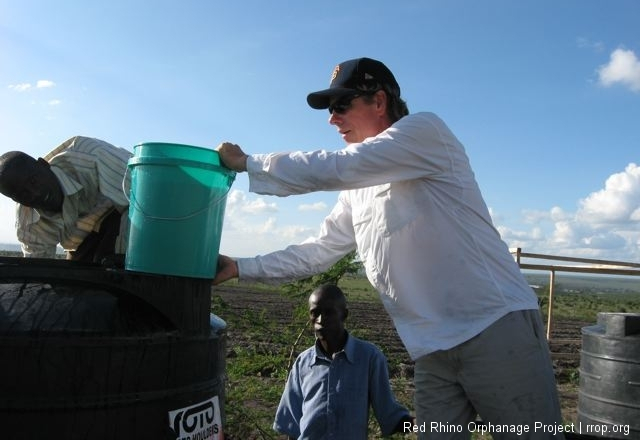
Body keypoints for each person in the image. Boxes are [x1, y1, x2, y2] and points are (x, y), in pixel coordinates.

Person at [214, 57, 565, 438]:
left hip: (495, 329)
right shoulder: (357, 187)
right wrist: (239, 267)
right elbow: (320, 250)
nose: (332, 118)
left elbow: (338, 166)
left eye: (341, 105)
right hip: (431, 349)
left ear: (378, 101)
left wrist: (248, 162)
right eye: (330, 109)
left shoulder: (425, 131)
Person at [274, 284, 413, 439]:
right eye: (315, 313)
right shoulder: (303, 363)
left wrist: (427, 425)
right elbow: (292, 425)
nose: (320, 320)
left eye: (329, 312)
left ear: (344, 315)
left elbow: (389, 414)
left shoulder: (369, 358)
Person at [0, 136, 132, 263]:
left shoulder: (90, 156)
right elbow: (39, 265)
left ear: (44, 164)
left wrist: (123, 258)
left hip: (128, 210)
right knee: (75, 280)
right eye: (23, 194)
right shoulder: (28, 222)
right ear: (15, 199)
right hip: (84, 239)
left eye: (34, 181)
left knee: (110, 268)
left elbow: (145, 199)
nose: (35, 193)